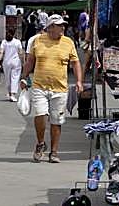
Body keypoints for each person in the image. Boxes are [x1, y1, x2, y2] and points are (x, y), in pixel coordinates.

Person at [21, 14, 84, 163]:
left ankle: (54, 152)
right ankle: (40, 143)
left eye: (63, 25)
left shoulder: (68, 42)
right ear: (50, 27)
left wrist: (79, 81)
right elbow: (30, 61)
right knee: (40, 114)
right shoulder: (37, 40)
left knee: (56, 120)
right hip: (39, 86)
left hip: (59, 89)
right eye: (59, 25)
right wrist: (24, 77)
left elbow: (75, 63)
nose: (63, 28)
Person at [0, 30, 24, 101]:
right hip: (16, 62)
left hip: (6, 62)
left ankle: (9, 93)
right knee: (15, 78)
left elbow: (1, 52)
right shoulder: (17, 42)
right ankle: (12, 94)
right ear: (14, 34)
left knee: (7, 78)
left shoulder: (4, 42)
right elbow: (20, 53)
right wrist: (23, 62)